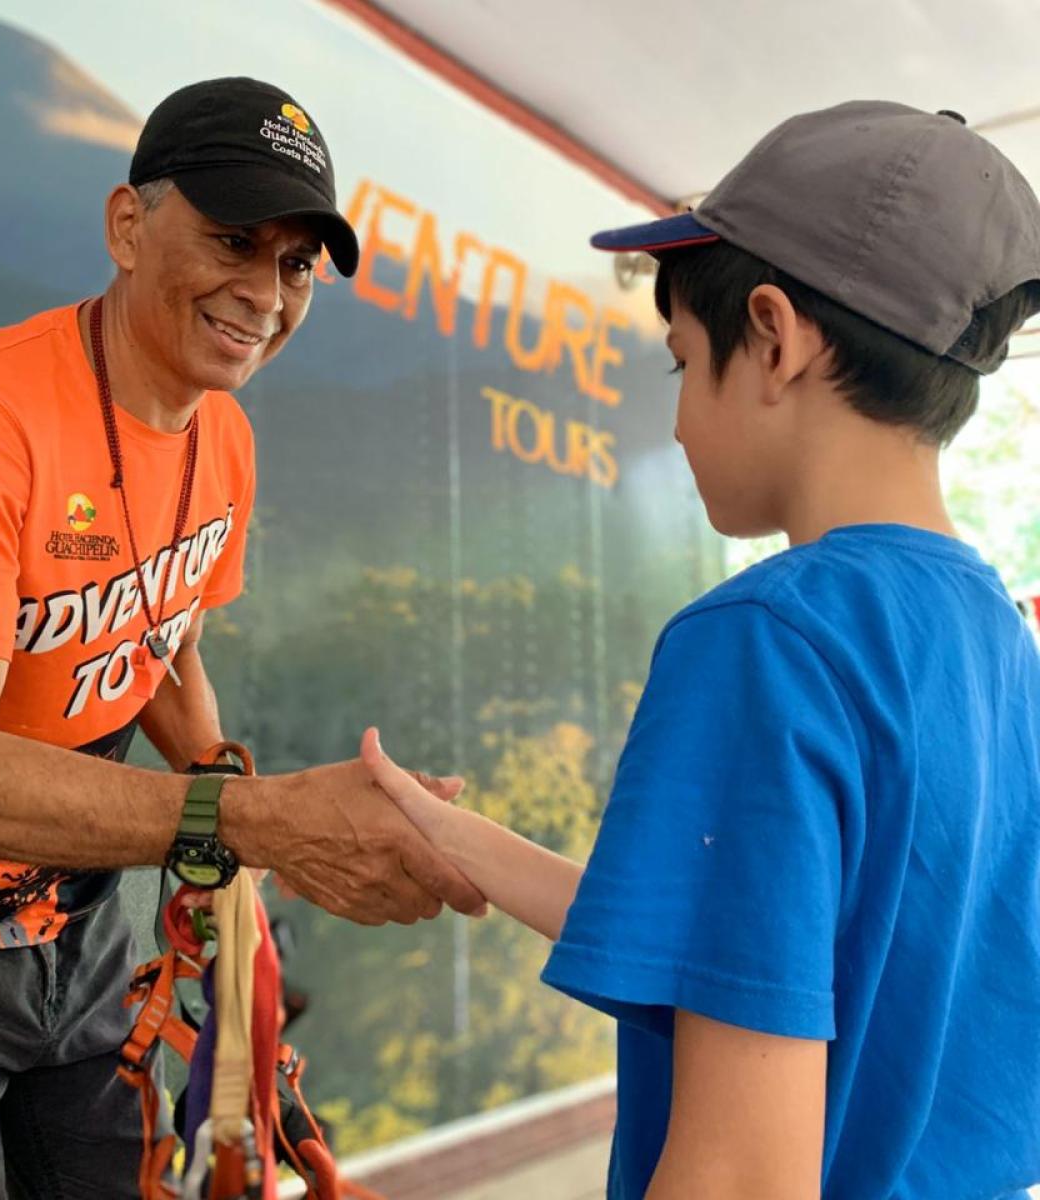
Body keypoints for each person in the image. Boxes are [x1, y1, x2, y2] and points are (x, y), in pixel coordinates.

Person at [364, 101, 1040, 1199]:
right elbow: (763, 948)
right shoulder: (995, 639)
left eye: (681, 364)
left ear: (772, 337)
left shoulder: (766, 640)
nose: (676, 425)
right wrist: (450, 836)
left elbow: (737, 1174)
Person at [0, 76, 482, 1199]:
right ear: (127, 226)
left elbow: (160, 640)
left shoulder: (222, 439)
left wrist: (238, 837)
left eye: (295, 266)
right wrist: (260, 819)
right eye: (234, 239)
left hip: (80, 928)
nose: (264, 292)